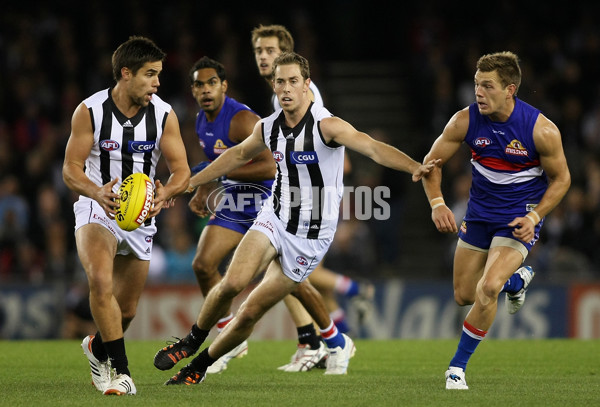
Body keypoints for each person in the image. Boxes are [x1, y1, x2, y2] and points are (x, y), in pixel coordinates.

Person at [158, 52, 437, 385]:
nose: (286, 89)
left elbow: (373, 147)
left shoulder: (326, 126)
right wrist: (189, 182)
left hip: (310, 236)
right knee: (231, 283)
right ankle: (191, 340)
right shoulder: (268, 126)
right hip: (274, 218)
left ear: (307, 86)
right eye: (280, 82)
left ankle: (199, 366)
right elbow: (235, 156)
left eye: (293, 81)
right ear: (274, 87)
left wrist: (413, 167)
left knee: (250, 311)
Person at [421, 51, 571, 390]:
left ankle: (457, 368)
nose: (478, 92)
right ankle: (516, 282)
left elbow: (562, 179)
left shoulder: (541, 130)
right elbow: (430, 164)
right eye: (476, 84)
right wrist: (437, 203)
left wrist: (535, 216)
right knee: (463, 295)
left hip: (518, 221)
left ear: (510, 89)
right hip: (479, 216)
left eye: (487, 86)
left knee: (488, 288)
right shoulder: (464, 120)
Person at [62, 35, 190, 395]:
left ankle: (97, 347)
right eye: (150, 74)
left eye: (159, 74)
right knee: (100, 282)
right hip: (98, 206)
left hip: (140, 215)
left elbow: (181, 170)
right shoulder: (89, 111)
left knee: (127, 311)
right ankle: (120, 372)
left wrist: (168, 191)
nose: (157, 82)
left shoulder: (164, 114)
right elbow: (70, 169)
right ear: (125, 73)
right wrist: (94, 191)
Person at [251, 24, 375, 357]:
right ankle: (335, 337)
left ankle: (316, 338)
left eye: (271, 51)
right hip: (295, 192)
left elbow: (323, 141)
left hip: (313, 199)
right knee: (293, 271)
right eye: (259, 51)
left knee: (288, 268)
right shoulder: (278, 96)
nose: (264, 56)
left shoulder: (304, 94)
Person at [184, 56, 276, 373]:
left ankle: (329, 339)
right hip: (236, 200)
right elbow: (217, 167)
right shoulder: (201, 121)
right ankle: (227, 332)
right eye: (199, 84)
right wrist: (203, 188)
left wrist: (220, 178)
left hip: (267, 200)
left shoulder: (241, 120)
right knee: (203, 264)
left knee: (290, 279)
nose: (206, 90)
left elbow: (270, 165)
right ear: (193, 90)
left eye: (212, 83)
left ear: (224, 86)